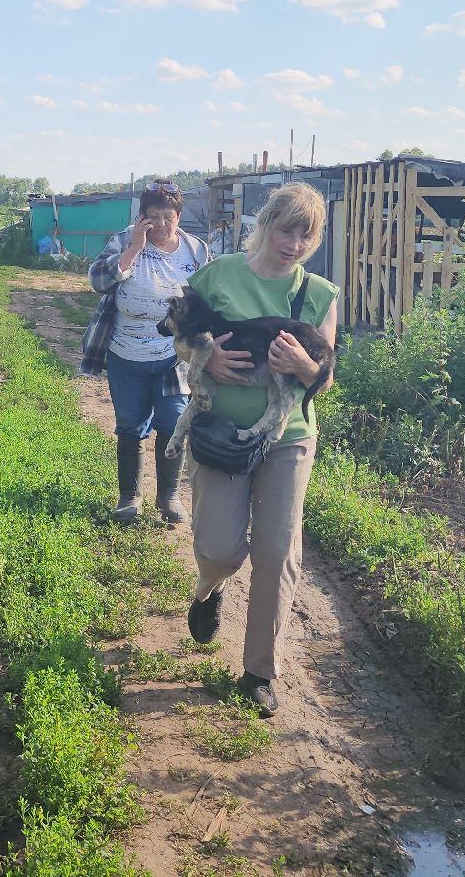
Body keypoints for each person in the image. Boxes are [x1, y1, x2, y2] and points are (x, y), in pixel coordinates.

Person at [181, 183, 338, 718]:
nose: (293, 242)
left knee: (276, 554)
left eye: (305, 234)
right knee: (219, 547)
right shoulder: (219, 274)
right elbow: (181, 336)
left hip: (286, 438)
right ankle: (208, 590)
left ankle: (258, 673)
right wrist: (205, 364)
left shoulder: (319, 294)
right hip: (218, 431)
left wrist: (305, 368)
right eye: (286, 228)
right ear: (266, 223)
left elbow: (326, 376)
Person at [81, 181, 212, 524]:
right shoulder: (125, 240)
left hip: (174, 359)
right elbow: (97, 281)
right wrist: (133, 249)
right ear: (142, 218)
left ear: (178, 216)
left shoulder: (195, 250)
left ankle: (168, 496)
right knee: (130, 425)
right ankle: (129, 497)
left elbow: (208, 299)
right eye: (153, 217)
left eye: (168, 216)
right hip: (126, 354)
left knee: (172, 422)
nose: (161, 224)